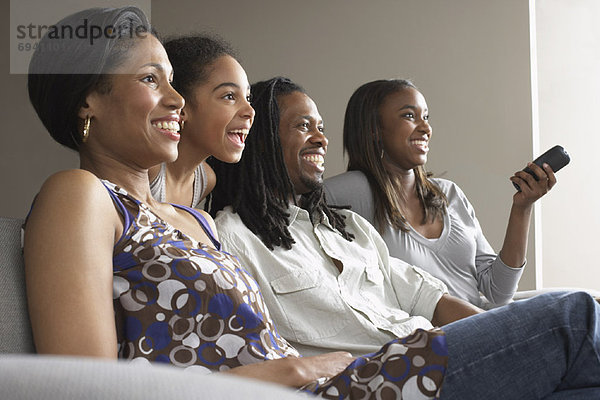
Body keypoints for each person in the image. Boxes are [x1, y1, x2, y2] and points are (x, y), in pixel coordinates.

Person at [23, 8, 454, 398]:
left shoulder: (196, 219)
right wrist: (293, 370)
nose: (176, 100)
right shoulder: (81, 194)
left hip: (334, 382)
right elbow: (88, 389)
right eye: (150, 79)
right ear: (87, 101)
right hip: (313, 387)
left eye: (172, 81)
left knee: (509, 329)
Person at [208, 77, 600, 398]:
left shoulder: (347, 228)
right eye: (303, 126)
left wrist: (500, 337)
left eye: (321, 128)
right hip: (384, 378)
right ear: (261, 140)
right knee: (575, 312)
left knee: (580, 387)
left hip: (437, 350)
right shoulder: (233, 237)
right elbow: (244, 350)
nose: (320, 139)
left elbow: (427, 297)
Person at [324, 79, 556, 308]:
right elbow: (292, 210)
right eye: (409, 116)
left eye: (425, 117)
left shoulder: (448, 193)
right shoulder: (352, 193)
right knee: (576, 308)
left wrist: (523, 207)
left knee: (588, 300)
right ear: (374, 130)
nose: (425, 128)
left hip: (481, 322)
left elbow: (499, 292)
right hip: (436, 340)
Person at [148, 35, 251, 208]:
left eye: (248, 97)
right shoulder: (149, 169)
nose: (250, 111)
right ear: (181, 105)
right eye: (229, 96)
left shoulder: (205, 179)